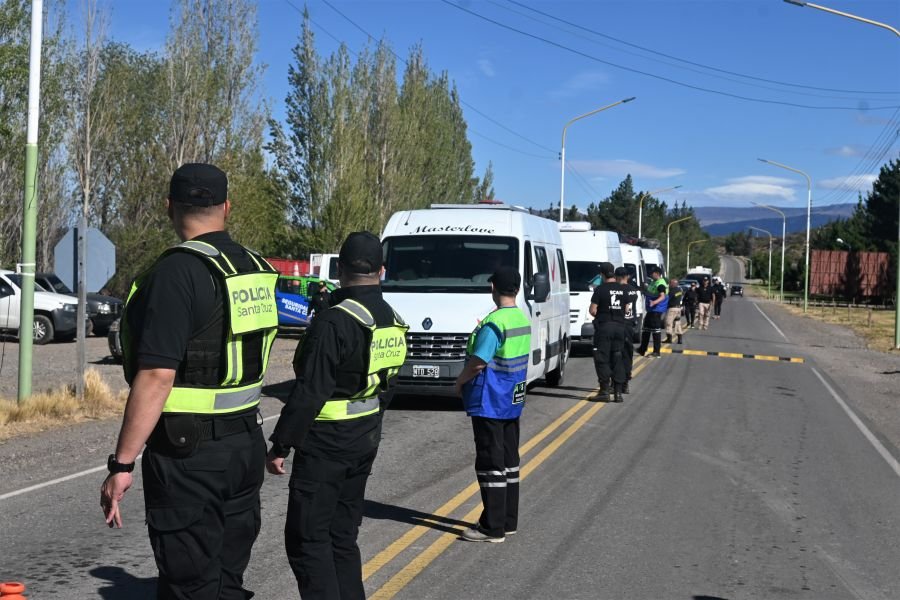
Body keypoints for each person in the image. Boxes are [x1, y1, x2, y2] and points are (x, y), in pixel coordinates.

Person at [101, 163, 280, 599]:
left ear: (169, 208)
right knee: (225, 580)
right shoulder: (254, 268)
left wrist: (123, 465)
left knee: (189, 586)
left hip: (189, 456)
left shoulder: (176, 272)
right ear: (227, 208)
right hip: (244, 445)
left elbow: (157, 376)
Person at [267, 232, 408, 600]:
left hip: (326, 444)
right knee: (342, 537)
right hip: (365, 437)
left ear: (340, 270)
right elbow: (389, 384)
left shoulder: (335, 321)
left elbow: (310, 390)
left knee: (308, 541)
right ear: (382, 270)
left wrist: (281, 444)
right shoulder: (392, 318)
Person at [454, 266, 531, 543]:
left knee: (490, 462)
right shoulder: (521, 319)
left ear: (493, 288)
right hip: (513, 398)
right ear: (518, 290)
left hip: (490, 399)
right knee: (510, 461)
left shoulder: (494, 323)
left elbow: (479, 361)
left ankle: (491, 526)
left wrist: (460, 381)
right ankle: (508, 521)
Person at [589, 262, 627, 402]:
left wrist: (602, 315)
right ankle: (618, 393)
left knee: (602, 358)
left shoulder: (600, 289)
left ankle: (604, 391)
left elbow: (593, 310)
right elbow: (627, 309)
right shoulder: (623, 289)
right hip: (620, 327)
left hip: (605, 327)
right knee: (617, 357)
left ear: (602, 274)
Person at [615, 267, 640, 395]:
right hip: (629, 325)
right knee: (627, 354)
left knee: (615, 354)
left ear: (618, 277)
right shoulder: (633, 290)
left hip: (618, 324)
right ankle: (625, 383)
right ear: (627, 277)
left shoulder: (617, 290)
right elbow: (630, 309)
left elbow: (625, 309)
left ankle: (616, 383)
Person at [637, 267, 668, 358]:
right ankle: (642, 349)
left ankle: (656, 352)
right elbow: (650, 292)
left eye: (652, 273)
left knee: (655, 331)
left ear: (657, 273)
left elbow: (662, 296)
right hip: (651, 310)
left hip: (656, 310)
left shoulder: (660, 283)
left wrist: (654, 302)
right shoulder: (654, 282)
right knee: (646, 329)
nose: (651, 274)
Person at [664, 278, 685, 345]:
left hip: (672, 309)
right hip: (678, 309)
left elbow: (667, 299)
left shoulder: (672, 291)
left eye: (670, 283)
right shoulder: (679, 290)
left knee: (668, 323)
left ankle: (669, 338)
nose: (669, 284)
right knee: (677, 323)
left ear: (673, 284)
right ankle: (680, 339)